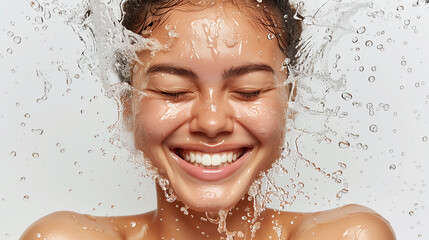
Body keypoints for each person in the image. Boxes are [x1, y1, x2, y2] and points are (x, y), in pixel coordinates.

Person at [20, 0, 396, 239]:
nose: (212, 123)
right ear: (127, 107)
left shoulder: (349, 235)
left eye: (248, 91)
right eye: (171, 90)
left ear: (289, 101)